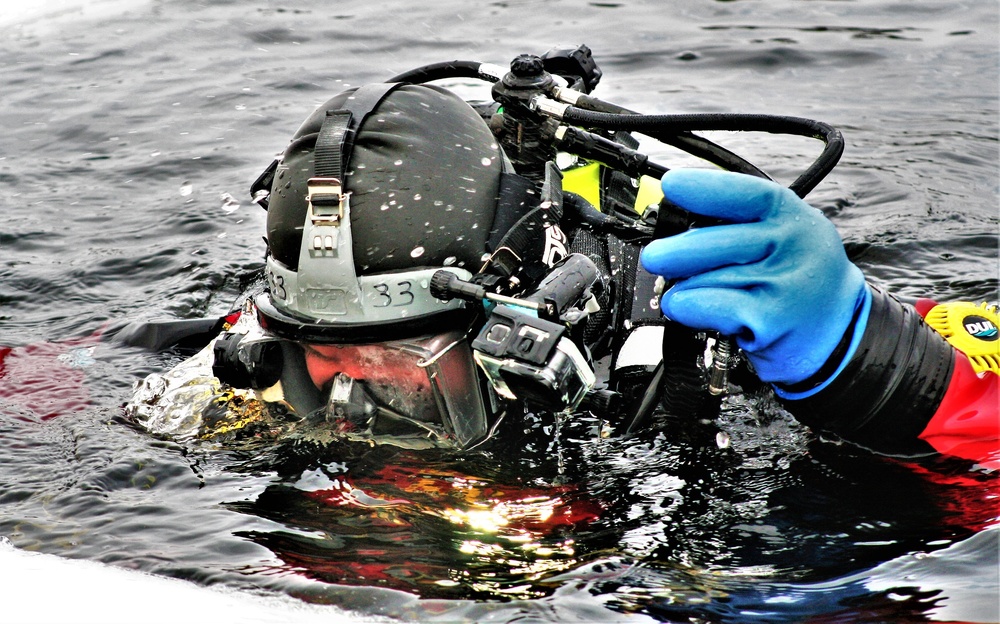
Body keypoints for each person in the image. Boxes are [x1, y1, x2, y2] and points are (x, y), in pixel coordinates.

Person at [121, 73, 998, 469]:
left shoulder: (700, 336)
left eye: (406, 364)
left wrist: (865, 355)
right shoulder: (264, 354)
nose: (355, 403)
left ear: (513, 317)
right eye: (329, 361)